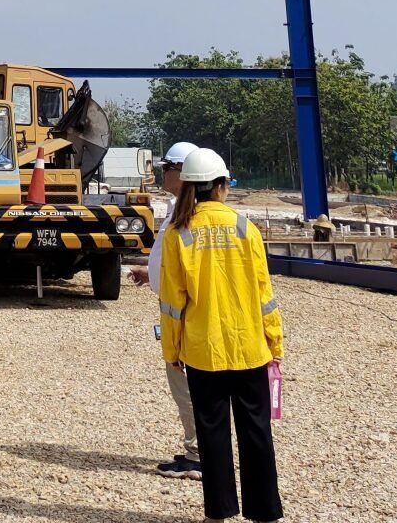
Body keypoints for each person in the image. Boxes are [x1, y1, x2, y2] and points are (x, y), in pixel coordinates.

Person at [159, 147, 284, 523]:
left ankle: (218, 513)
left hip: (204, 351)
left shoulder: (179, 233)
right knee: (256, 432)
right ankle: (265, 513)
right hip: (249, 348)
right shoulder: (246, 228)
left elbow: (172, 302)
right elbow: (264, 294)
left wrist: (172, 350)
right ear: (219, 186)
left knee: (212, 434)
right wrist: (275, 342)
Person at [129, 140, 202, 480]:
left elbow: (191, 268)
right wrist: (152, 274)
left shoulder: (192, 215)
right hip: (176, 312)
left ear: (183, 172)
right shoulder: (178, 209)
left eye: (168, 168)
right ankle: (197, 448)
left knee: (187, 385)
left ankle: (199, 454)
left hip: (186, 315)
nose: (163, 174)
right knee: (183, 384)